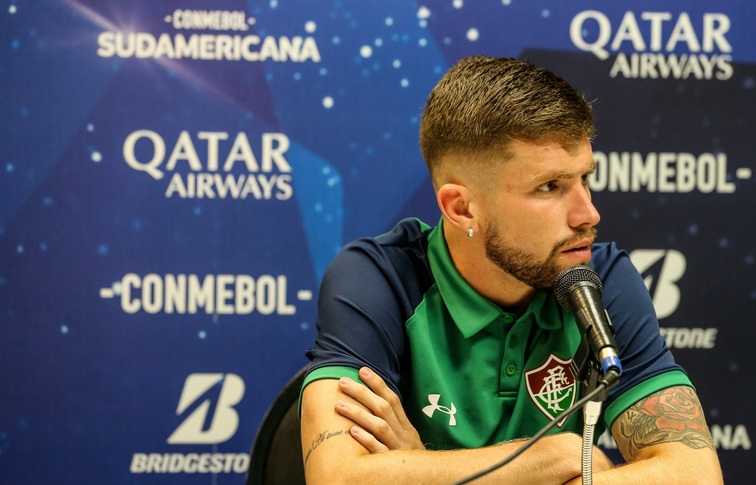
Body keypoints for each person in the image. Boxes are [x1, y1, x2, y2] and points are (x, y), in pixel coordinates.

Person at [299, 55, 722, 484]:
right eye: (549, 187)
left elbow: (696, 474)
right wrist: (554, 457)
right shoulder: (378, 279)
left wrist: (423, 467)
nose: (588, 214)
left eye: (584, 179)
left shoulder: (598, 278)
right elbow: (336, 477)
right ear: (462, 208)